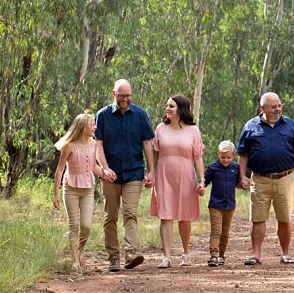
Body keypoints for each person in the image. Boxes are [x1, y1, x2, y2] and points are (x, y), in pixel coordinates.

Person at [237, 92, 294, 266]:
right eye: (273, 106)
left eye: (279, 105)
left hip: (285, 178)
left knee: (284, 218)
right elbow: (243, 154)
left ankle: (285, 254)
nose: (278, 109)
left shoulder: (290, 125)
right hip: (259, 179)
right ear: (263, 108)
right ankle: (256, 254)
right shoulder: (251, 126)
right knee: (258, 218)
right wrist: (242, 176)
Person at [95, 79, 156, 272]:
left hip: (133, 172)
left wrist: (151, 170)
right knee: (110, 216)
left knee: (130, 213)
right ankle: (113, 257)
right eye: (122, 96)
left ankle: (131, 253)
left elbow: (147, 143)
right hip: (111, 175)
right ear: (114, 94)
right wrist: (104, 168)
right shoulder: (103, 115)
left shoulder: (140, 114)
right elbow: (98, 145)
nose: (125, 99)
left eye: (128, 96)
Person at [150, 94, 206, 268]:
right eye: (167, 106)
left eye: (171, 106)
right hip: (164, 176)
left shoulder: (193, 131)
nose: (167, 109)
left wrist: (201, 180)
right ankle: (166, 256)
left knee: (184, 216)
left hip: (186, 177)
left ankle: (185, 253)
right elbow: (154, 154)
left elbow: (197, 158)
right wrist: (150, 173)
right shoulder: (160, 128)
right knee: (165, 215)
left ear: (181, 109)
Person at [52, 111, 104, 271]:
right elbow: (59, 170)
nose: (95, 127)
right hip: (71, 188)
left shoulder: (93, 144)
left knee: (86, 225)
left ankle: (80, 249)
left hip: (88, 188)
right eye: (92, 125)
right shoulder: (69, 146)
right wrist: (55, 194)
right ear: (83, 127)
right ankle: (75, 258)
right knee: (74, 225)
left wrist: (105, 174)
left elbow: (93, 166)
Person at [203, 140, 241, 267]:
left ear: (233, 155)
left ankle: (221, 255)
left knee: (225, 232)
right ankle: (213, 255)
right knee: (216, 231)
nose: (226, 160)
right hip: (215, 205)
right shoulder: (213, 168)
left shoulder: (236, 168)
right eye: (223, 157)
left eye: (229, 157)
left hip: (229, 205)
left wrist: (246, 183)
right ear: (218, 154)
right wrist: (200, 187)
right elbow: (205, 181)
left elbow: (238, 183)